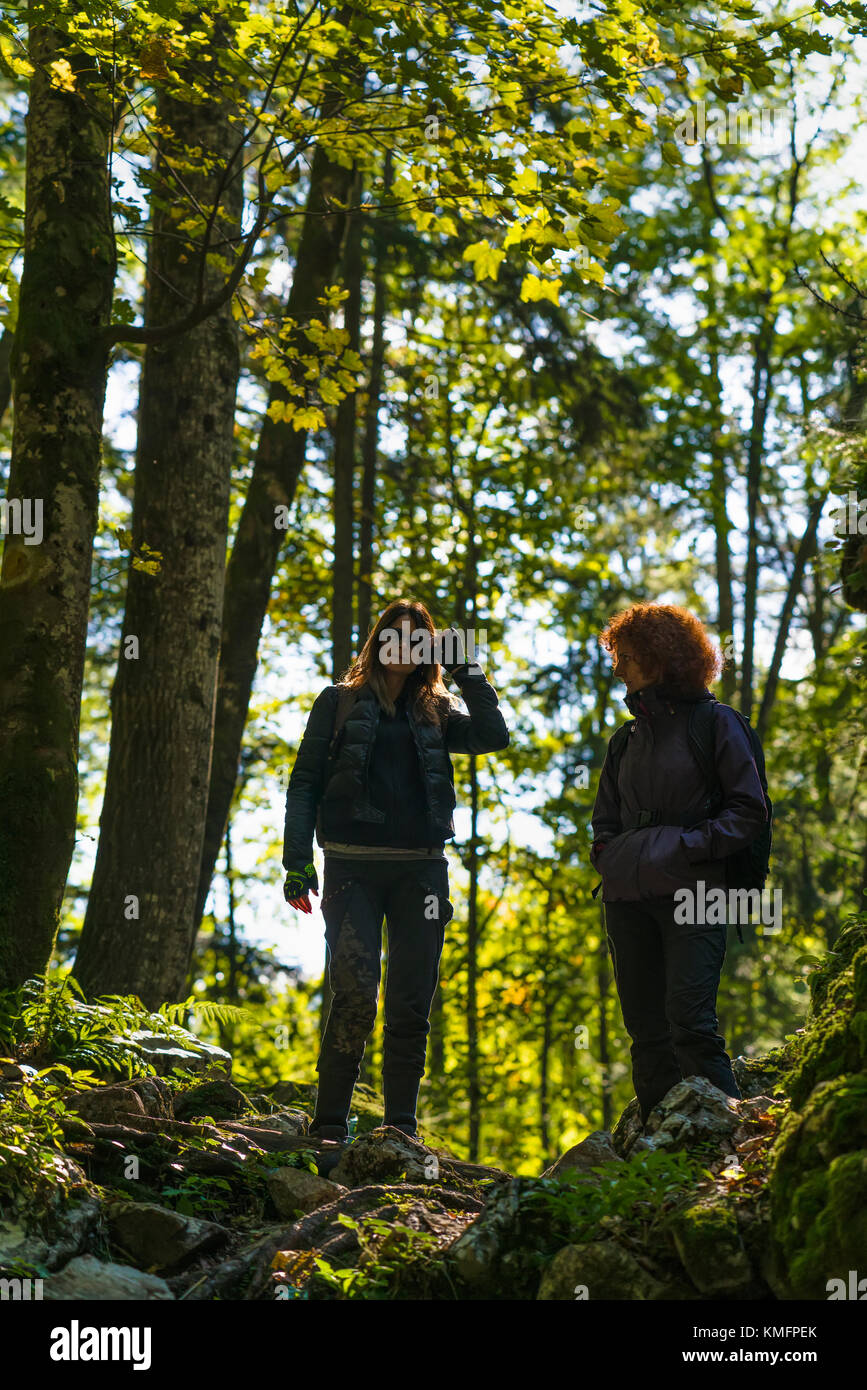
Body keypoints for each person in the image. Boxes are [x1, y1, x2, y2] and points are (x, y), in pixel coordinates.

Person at [282, 599, 509, 1148]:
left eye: (416, 639)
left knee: (411, 1000)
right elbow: (305, 781)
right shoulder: (338, 701)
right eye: (393, 636)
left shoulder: (439, 710)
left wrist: (467, 667)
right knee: (355, 993)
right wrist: (296, 865)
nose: (402, 647)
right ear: (377, 642)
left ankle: (399, 1129)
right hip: (349, 869)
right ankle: (330, 1124)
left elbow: (494, 736)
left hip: (422, 873)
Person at [590, 603, 768, 1125]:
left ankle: (730, 1140)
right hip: (627, 900)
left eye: (624, 657)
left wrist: (685, 847)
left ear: (658, 656)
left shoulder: (717, 723)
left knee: (690, 1021)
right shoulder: (625, 739)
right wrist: (612, 858)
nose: (618, 669)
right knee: (646, 1032)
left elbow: (748, 811)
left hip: (699, 894)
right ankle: (658, 1154)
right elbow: (605, 821)